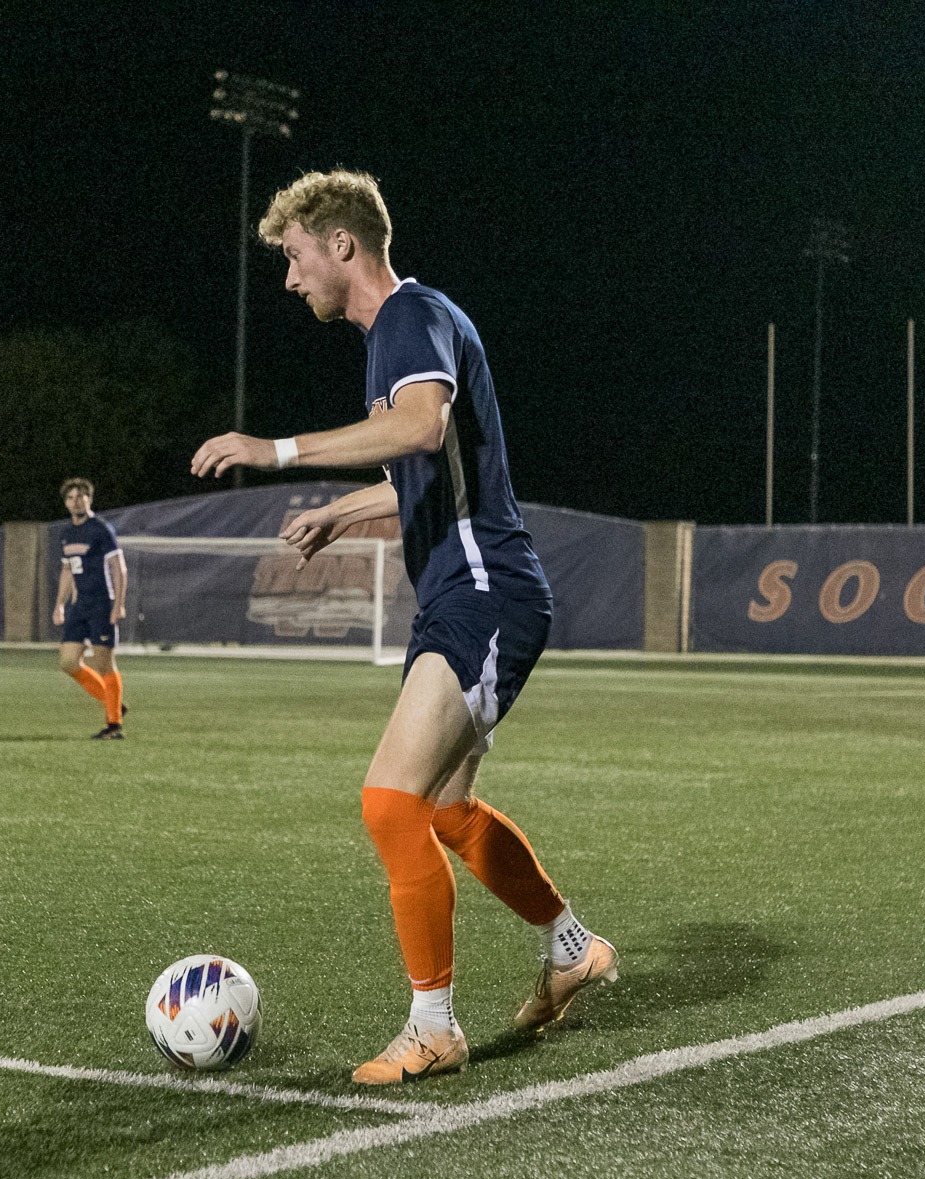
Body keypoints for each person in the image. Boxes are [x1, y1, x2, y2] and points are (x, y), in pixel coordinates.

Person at [190, 169, 615, 1086]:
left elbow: (420, 428)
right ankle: (573, 947)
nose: (290, 278)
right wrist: (342, 511)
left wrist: (275, 451)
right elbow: (420, 471)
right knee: (447, 809)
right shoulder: (402, 332)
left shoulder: (408, 316)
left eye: (296, 256)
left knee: (390, 805)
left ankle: (434, 1028)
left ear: (342, 245)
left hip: (484, 593)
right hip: (468, 593)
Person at [51, 477, 128, 739]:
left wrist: (118, 604)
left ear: (89, 499)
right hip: (79, 605)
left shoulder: (101, 529)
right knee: (68, 662)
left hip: (101, 604)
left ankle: (114, 726)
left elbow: (118, 568)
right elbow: (67, 571)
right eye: (70, 498)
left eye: (80, 497)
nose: (75, 502)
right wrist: (59, 604)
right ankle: (113, 702)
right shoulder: (67, 533)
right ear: (65, 503)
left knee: (104, 663)